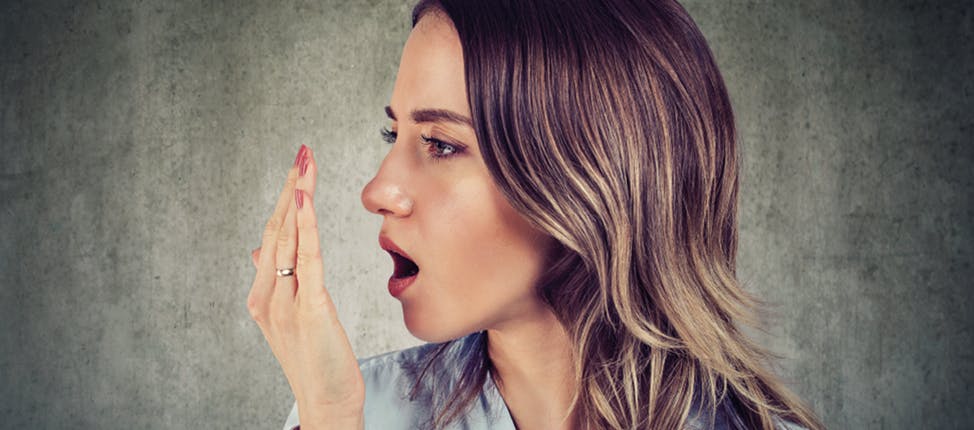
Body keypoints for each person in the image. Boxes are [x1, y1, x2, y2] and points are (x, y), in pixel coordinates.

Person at [247, 0, 825, 429]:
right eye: (392, 133)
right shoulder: (352, 412)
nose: (377, 190)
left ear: (589, 176)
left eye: (441, 143)